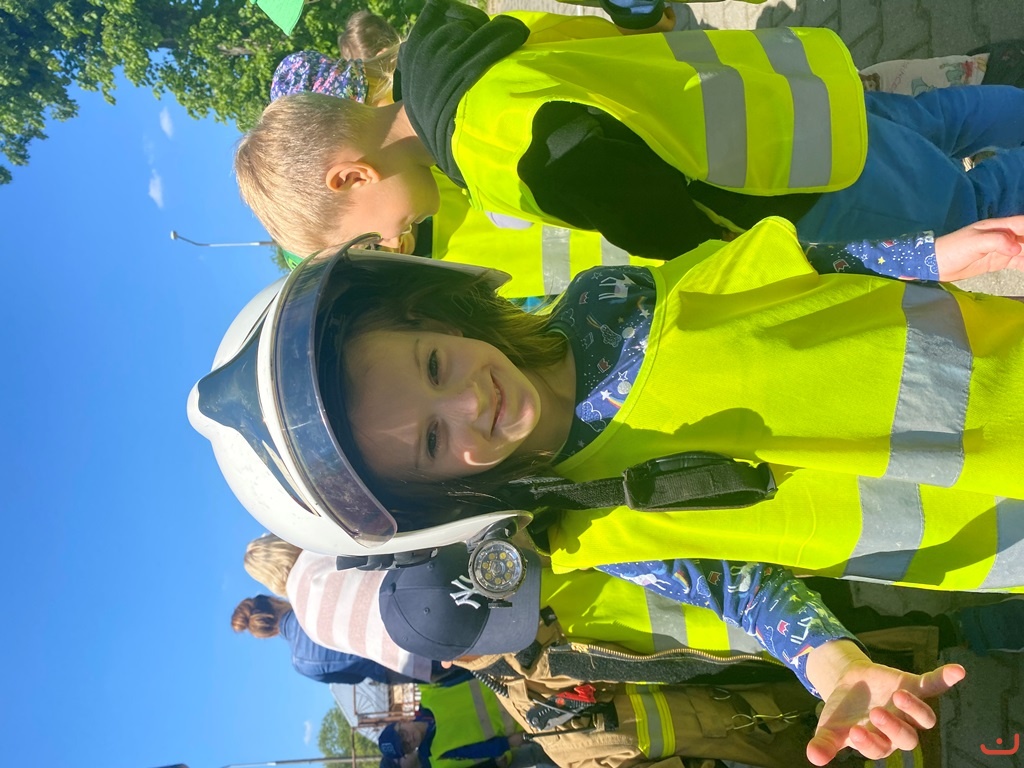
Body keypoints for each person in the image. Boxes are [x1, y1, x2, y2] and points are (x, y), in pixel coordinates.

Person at [190, 218, 1024, 763]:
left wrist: (927, 255)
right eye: (434, 441)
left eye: (434, 365)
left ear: (428, 312)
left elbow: (776, 271)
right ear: (434, 504)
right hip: (993, 524)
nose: (470, 403)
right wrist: (832, 662)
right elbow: (736, 586)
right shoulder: (585, 524)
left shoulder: (602, 299)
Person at [234, 0, 1024, 261]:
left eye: (366, 238)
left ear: (352, 175)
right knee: (933, 115)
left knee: (965, 205)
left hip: (794, 177)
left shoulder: (501, 158)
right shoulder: (450, 38)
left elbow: (674, 232)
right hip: (774, 86)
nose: (394, 242)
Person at [231, 593, 415, 684]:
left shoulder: (302, 664)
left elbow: (354, 679)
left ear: (269, 634)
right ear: (273, 601)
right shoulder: (309, 597)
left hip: (397, 667)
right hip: (397, 619)